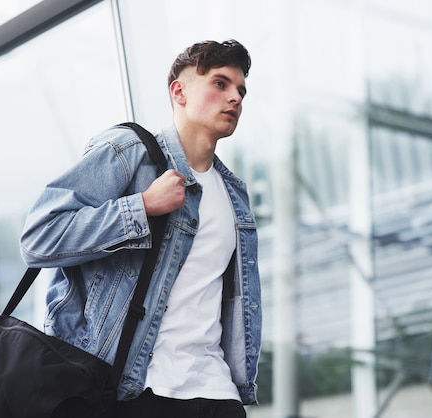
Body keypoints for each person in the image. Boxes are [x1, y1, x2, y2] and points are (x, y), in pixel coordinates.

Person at [19, 39, 261, 418]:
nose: (235, 98)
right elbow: (40, 237)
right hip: (137, 391)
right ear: (178, 91)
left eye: (241, 90)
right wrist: (142, 207)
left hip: (217, 394)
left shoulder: (235, 195)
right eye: (220, 83)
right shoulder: (129, 152)